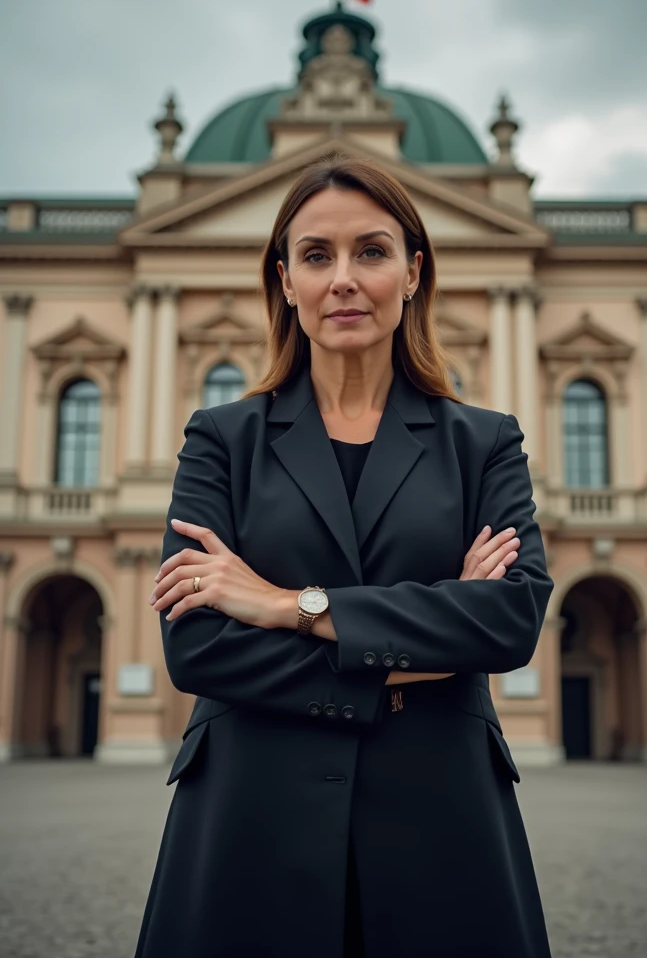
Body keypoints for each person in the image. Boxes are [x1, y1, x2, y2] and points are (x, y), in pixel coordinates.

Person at [135, 154, 554, 958]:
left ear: (412, 272)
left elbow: (507, 622)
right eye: (317, 256)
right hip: (249, 815)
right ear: (286, 280)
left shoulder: (484, 442)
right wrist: (428, 646)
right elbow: (197, 647)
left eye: (372, 251)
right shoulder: (221, 439)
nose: (345, 280)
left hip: (444, 813)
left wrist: (286, 605)